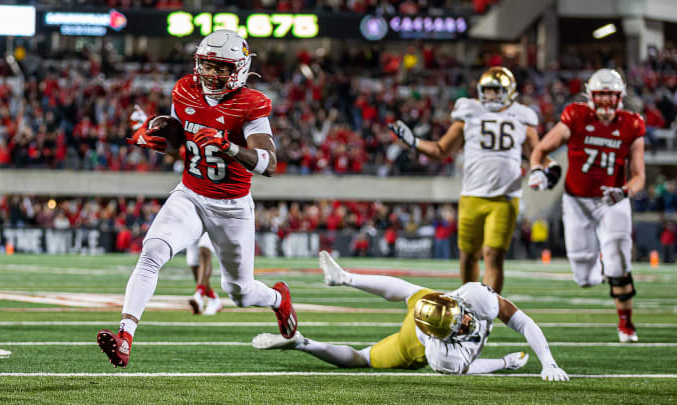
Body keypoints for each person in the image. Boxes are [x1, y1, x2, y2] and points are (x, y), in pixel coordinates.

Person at [97, 30, 298, 368]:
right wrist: (152, 134)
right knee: (152, 252)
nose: (210, 74)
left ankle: (278, 299)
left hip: (232, 208)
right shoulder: (185, 91)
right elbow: (180, 147)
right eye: (206, 65)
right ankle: (125, 337)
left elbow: (270, 165)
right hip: (190, 194)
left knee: (240, 292)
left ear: (240, 69)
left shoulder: (250, 105)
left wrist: (229, 146)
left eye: (220, 68)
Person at [253, 251, 569, 381]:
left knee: (408, 290)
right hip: (411, 342)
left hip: (428, 310)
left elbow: (524, 321)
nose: (468, 322)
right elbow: (470, 366)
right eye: (459, 326)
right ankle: (302, 343)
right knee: (362, 359)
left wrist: (549, 361)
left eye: (461, 316)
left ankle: (346, 278)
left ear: (452, 301)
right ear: (443, 337)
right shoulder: (438, 353)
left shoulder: (471, 297)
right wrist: (504, 363)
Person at [389, 67, 559, 293]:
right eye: (487, 91)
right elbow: (441, 149)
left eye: (496, 91)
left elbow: (537, 153)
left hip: (505, 197)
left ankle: (486, 310)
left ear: (509, 91)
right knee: (468, 256)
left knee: (493, 255)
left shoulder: (522, 117)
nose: (490, 96)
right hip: (472, 195)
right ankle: (469, 307)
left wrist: (552, 171)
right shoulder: (468, 113)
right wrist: (414, 142)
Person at [529, 68, 645, 343]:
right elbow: (540, 150)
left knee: (618, 257)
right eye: (601, 95)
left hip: (611, 199)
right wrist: (537, 169)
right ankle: (603, 267)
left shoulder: (632, 123)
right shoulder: (576, 115)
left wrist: (624, 191)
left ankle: (626, 324)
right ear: (590, 95)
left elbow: (640, 175)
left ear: (620, 96)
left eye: (610, 95)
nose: (605, 101)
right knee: (584, 276)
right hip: (576, 200)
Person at [186, 233, 223, 315]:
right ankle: (214, 298)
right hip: (193, 223)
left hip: (212, 222)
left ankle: (199, 295)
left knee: (205, 251)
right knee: (193, 263)